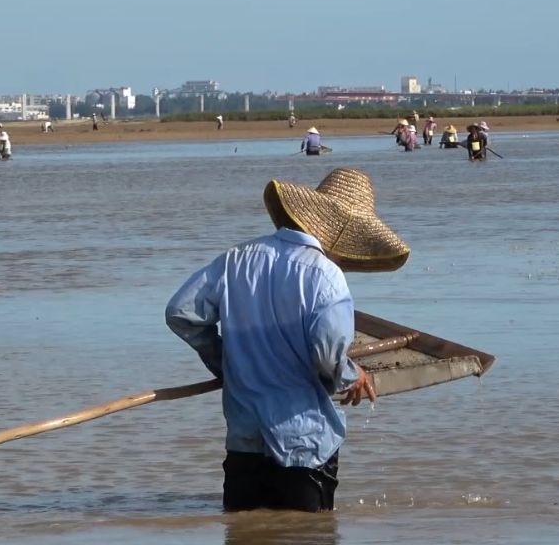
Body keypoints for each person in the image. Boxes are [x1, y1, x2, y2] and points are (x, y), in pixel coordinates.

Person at [165, 167, 410, 512]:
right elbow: (328, 354)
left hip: (244, 442)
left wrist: (224, 361)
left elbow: (180, 313)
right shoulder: (327, 276)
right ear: (340, 236)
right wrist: (354, 376)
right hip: (305, 444)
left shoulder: (237, 259)